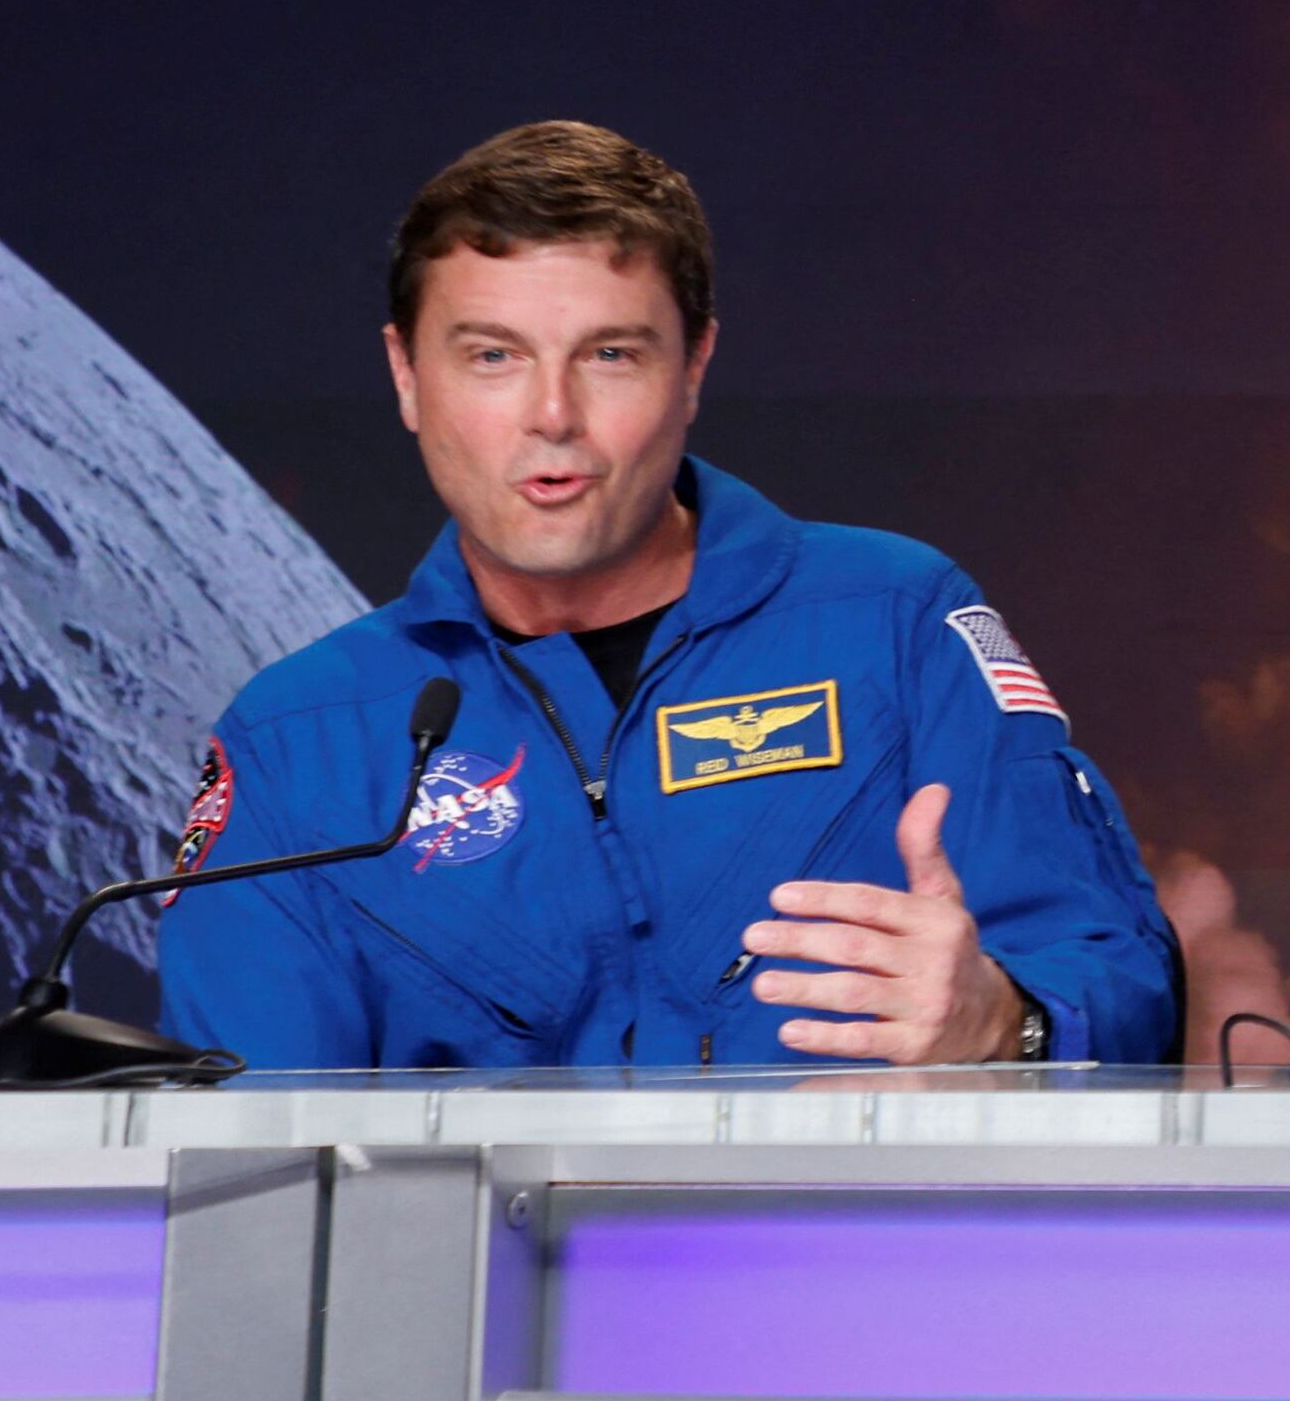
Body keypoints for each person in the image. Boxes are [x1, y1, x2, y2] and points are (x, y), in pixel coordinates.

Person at [159, 123, 1180, 1071]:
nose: (551, 417)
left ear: (693, 367)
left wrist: (1006, 1019)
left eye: (610, 354)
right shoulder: (298, 743)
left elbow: (1124, 983)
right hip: (477, 1267)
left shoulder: (894, 625)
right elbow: (248, 1161)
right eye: (492, 357)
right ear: (407, 377)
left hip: (856, 1256)